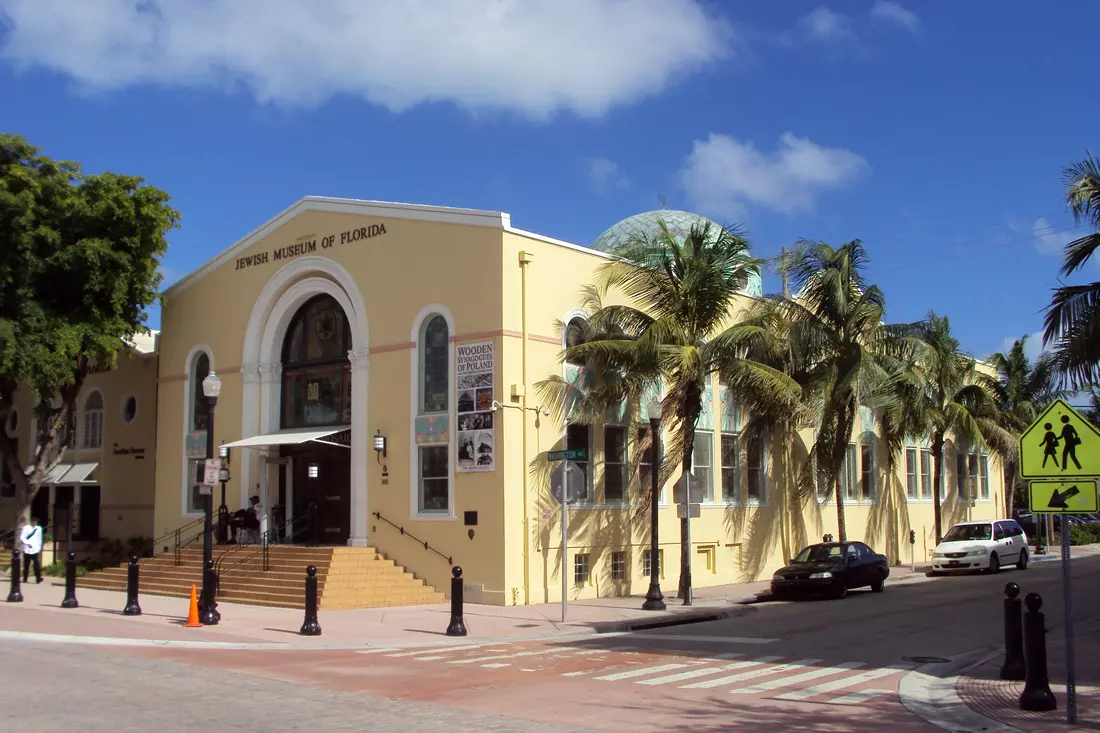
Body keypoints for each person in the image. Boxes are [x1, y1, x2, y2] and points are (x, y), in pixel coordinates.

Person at [19, 516, 43, 584]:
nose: (35, 523)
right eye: (34, 521)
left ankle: (38, 578)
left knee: (36, 565)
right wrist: (27, 543)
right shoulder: (26, 528)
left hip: (35, 549)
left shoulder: (38, 528)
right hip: (27, 549)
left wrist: (39, 548)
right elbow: (22, 537)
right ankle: (25, 578)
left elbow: (39, 539)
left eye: (36, 522)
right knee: (26, 564)